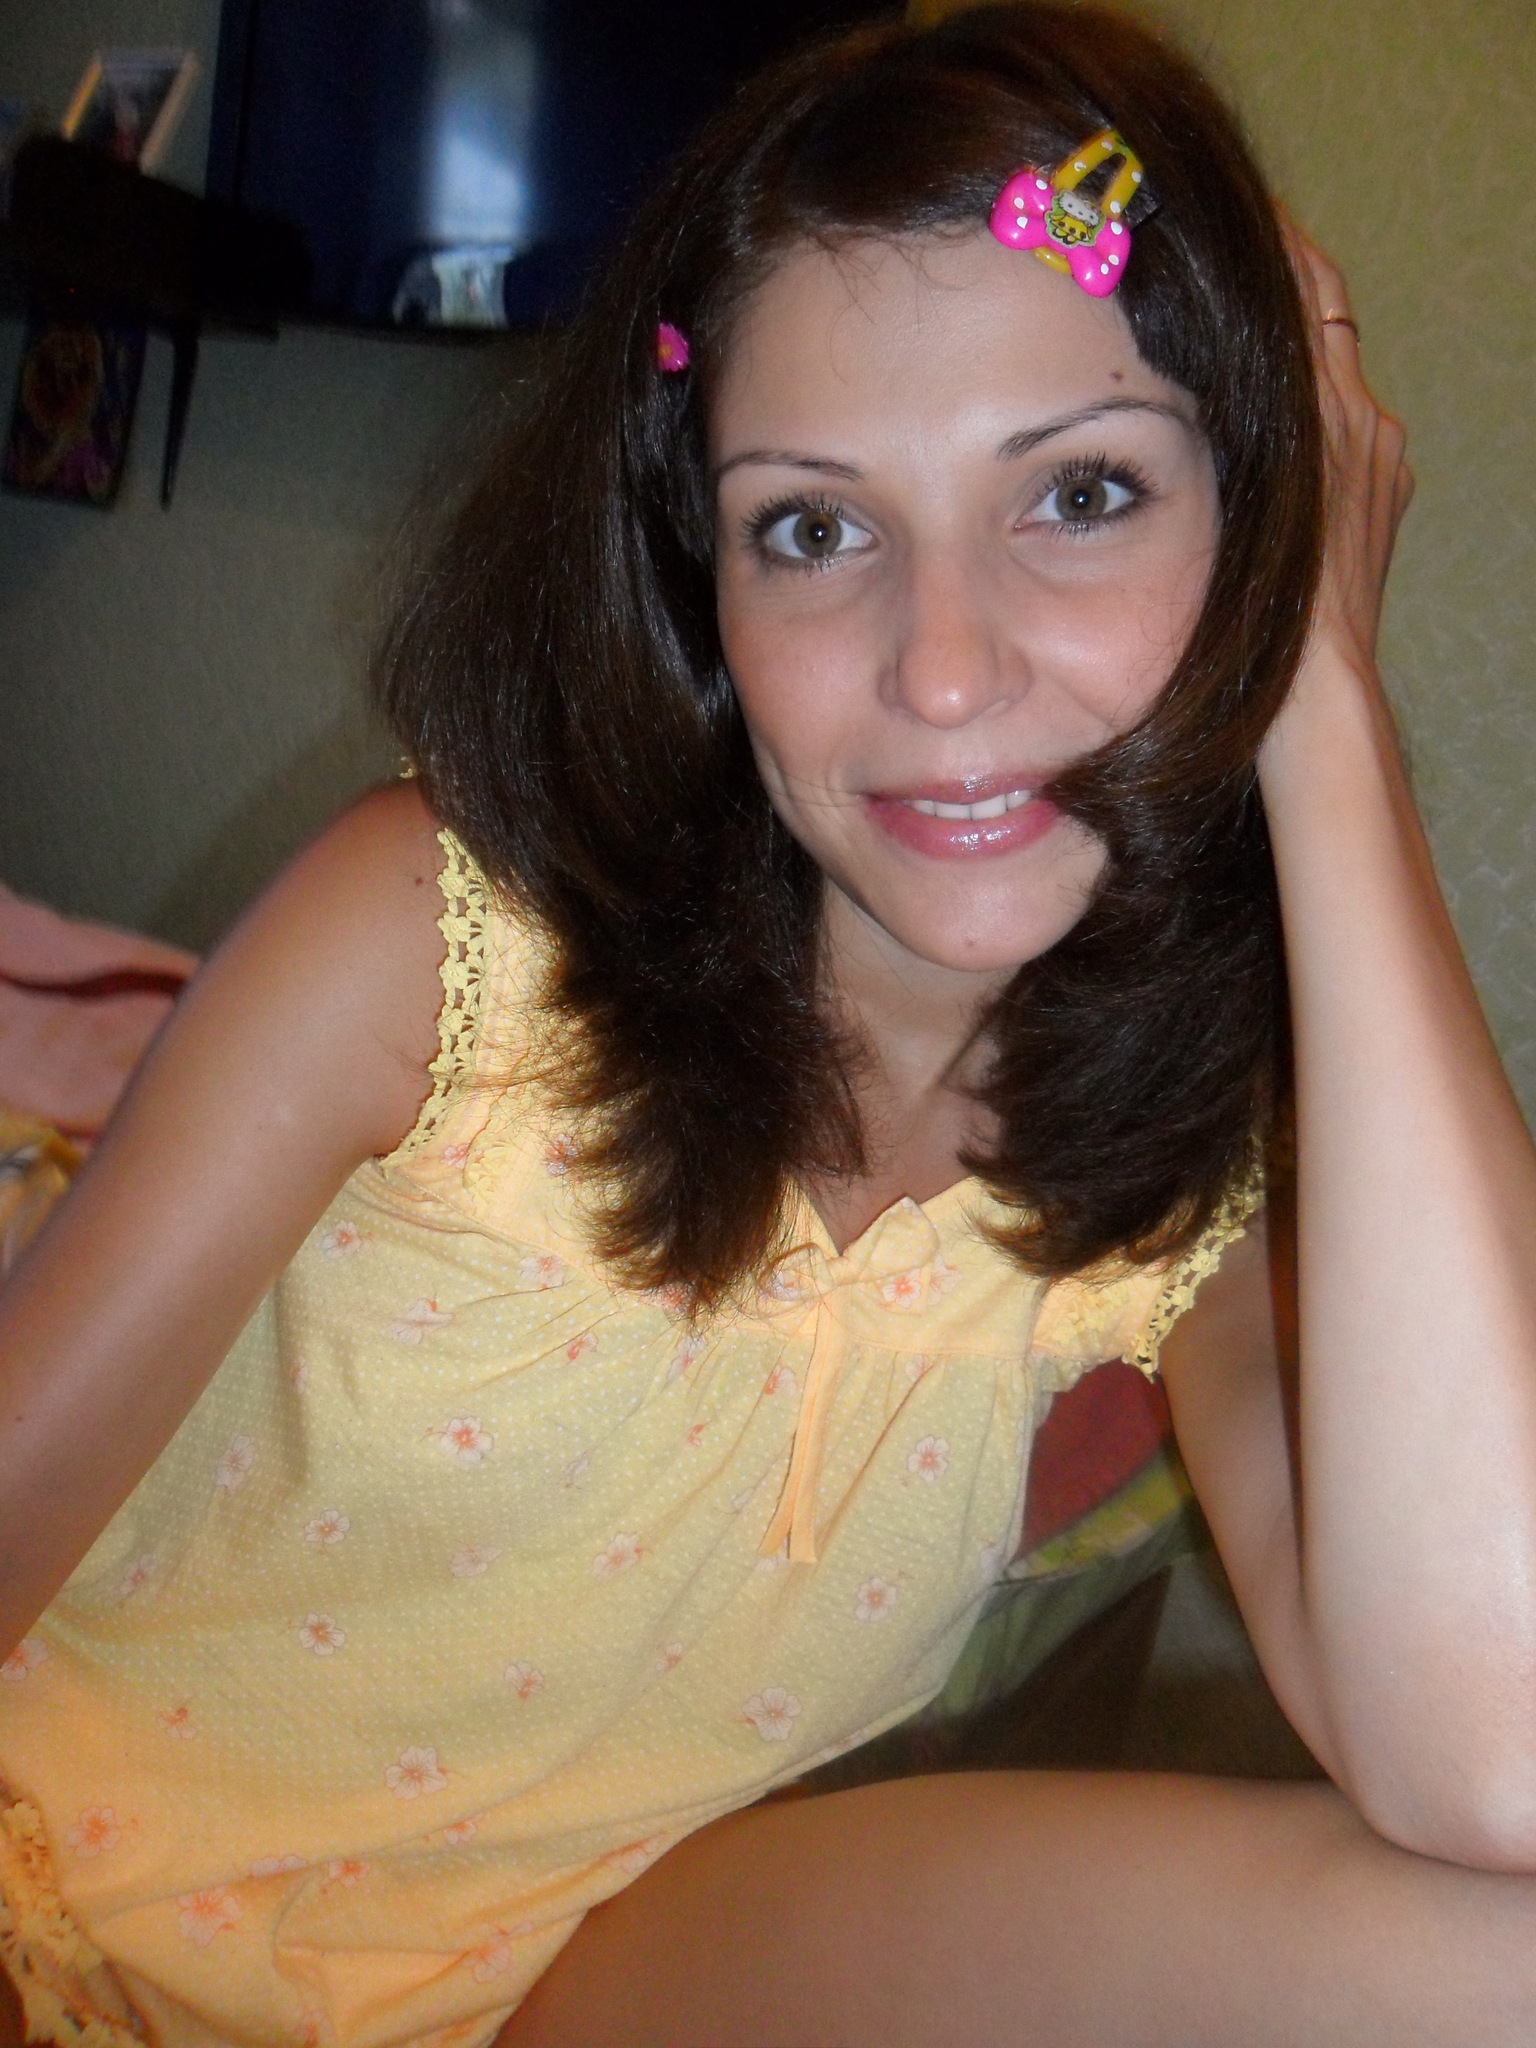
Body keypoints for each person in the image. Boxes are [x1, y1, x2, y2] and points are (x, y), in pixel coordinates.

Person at [4, 5, 1536, 2042]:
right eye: (814, 527)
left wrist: (1322, 701)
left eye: (1082, 493)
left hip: (553, 1979)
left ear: (1263, 535)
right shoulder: (430, 949)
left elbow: (1508, 1758)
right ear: (704, 585)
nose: (943, 668)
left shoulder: (1173, 1193)